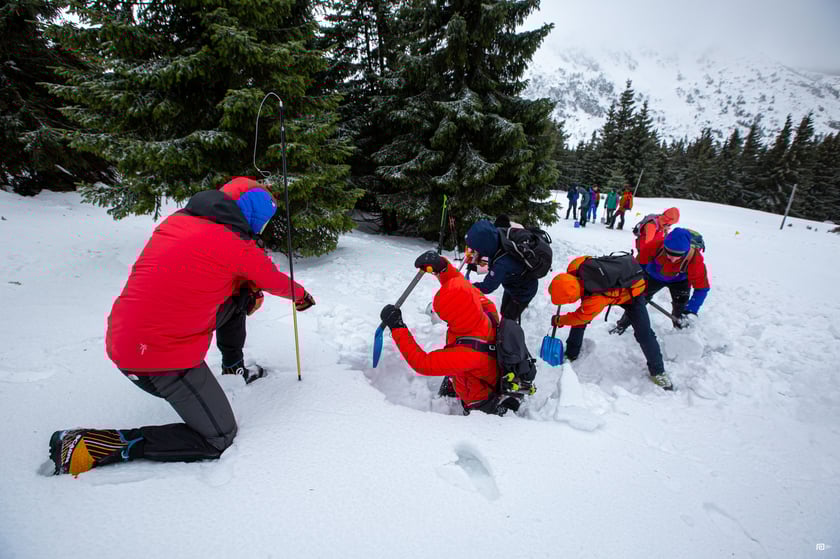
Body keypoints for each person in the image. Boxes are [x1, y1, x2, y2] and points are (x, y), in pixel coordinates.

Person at [49, 178, 316, 476]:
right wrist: (302, 296)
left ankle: (233, 369)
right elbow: (273, 279)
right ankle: (91, 444)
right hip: (160, 358)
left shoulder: (177, 222)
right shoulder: (237, 247)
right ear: (255, 217)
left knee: (242, 295)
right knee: (219, 437)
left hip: (125, 339)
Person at [379, 251, 518, 415]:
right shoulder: (487, 310)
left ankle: (481, 409)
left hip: (480, 398)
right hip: (482, 371)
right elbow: (462, 286)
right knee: (456, 370)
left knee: (461, 379)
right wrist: (442, 268)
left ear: (451, 316)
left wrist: (397, 327)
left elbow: (422, 364)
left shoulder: (466, 355)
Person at [548, 257, 673, 389]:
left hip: (633, 293)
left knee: (644, 333)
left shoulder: (595, 300)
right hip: (615, 283)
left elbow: (580, 317)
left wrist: (559, 320)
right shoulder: (575, 266)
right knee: (582, 316)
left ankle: (658, 372)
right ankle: (572, 353)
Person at [614, 227, 710, 333]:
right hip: (653, 276)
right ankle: (621, 326)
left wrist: (691, 310)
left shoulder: (695, 259)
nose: (672, 259)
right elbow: (637, 267)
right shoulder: (654, 246)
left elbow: (702, 288)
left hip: (680, 281)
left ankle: (681, 335)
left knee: (681, 311)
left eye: (678, 256)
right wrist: (634, 285)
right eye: (669, 253)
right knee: (637, 302)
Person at [464, 220, 538, 324]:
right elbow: (493, 266)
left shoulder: (502, 262)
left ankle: (511, 331)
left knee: (508, 320)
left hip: (523, 291)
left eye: (477, 248)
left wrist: (468, 287)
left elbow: (488, 286)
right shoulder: (498, 239)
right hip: (513, 284)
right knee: (504, 312)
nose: (476, 251)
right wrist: (476, 267)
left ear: (484, 245)